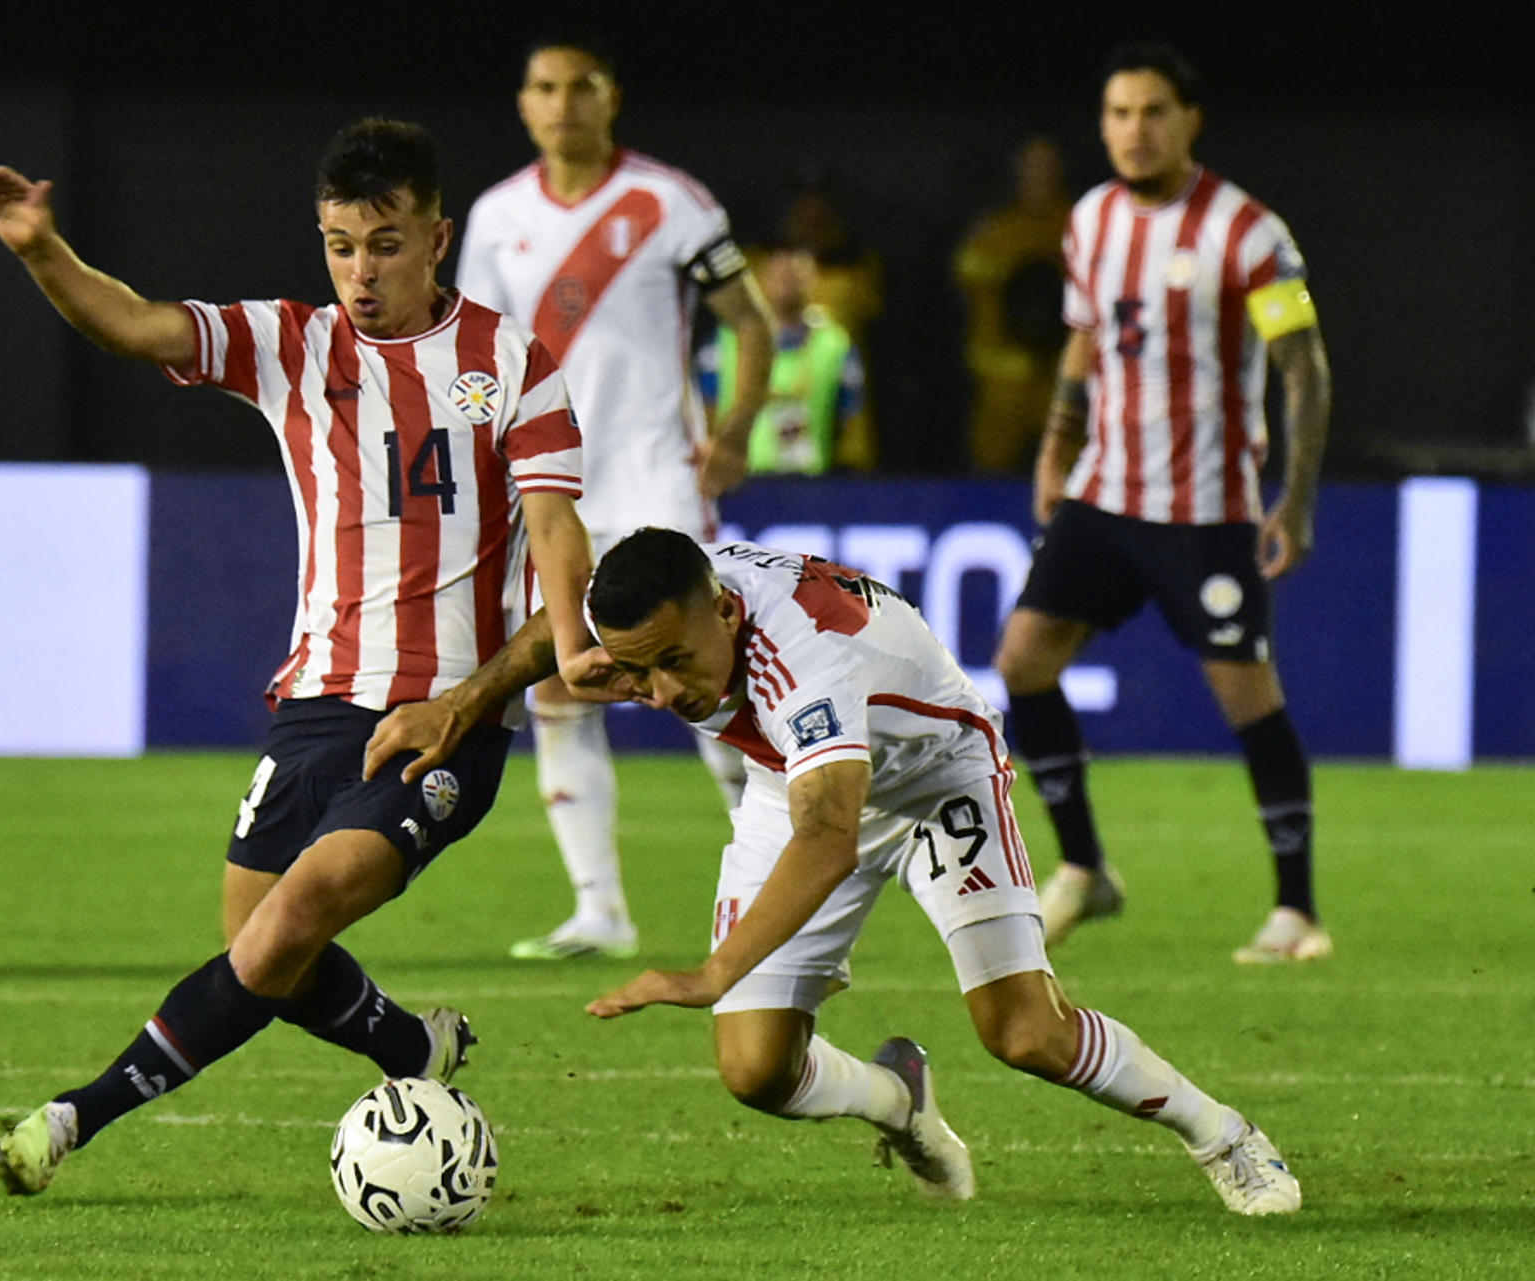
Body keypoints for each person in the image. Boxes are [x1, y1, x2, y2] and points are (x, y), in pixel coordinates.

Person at [0, 118, 599, 1195]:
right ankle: (413, 1052)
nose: (361, 271)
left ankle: (75, 1117)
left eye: (387, 244)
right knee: (262, 944)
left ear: (437, 237)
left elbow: (557, 531)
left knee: (290, 923)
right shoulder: (293, 346)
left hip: (446, 719)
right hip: (314, 704)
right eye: (341, 245)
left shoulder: (510, 360)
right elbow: (135, 325)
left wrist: (555, 652)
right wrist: (40, 250)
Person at [365, 528, 1302, 1216]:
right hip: (797, 777)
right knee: (755, 1069)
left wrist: (711, 971)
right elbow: (560, 636)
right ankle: (901, 1099)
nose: (662, 692)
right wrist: (463, 701)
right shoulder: (677, 609)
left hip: (937, 778)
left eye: (674, 664)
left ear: (725, 613)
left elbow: (829, 835)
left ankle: (1223, 1134)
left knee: (1023, 1032)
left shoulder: (804, 658)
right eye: (638, 671)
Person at [991, 43, 1334, 964]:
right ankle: (1087, 870)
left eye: (1152, 112)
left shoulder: (1247, 232)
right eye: (1117, 113)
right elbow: (1082, 343)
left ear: (1191, 121)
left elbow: (1304, 370)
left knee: (1246, 698)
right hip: (1104, 496)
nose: (1133, 131)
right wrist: (1057, 448)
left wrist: (1293, 501)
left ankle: (1297, 910)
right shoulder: (1091, 219)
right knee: (1022, 662)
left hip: (1206, 509)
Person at [457, 34, 776, 961]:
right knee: (556, 683)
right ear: (525, 104)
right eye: (545, 88)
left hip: (655, 477)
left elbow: (749, 321)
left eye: (580, 87)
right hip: (554, 486)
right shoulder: (497, 214)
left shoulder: (668, 201)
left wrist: (736, 430)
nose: (563, 104)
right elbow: (478, 354)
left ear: (612, 97)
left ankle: (774, 875)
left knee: (710, 677)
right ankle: (599, 908)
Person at [697, 242, 869, 476]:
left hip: (810, 485)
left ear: (814, 278)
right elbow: (704, 410)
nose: (787, 281)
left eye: (795, 274)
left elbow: (849, 421)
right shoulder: (725, 341)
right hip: (740, 481)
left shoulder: (835, 344)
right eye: (778, 274)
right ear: (761, 278)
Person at [953, 136, 1071, 473]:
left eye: (1047, 166)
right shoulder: (992, 234)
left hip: (1062, 378)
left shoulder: (1080, 226)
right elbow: (966, 283)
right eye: (1032, 166)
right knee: (991, 466)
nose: (1040, 175)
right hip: (1002, 380)